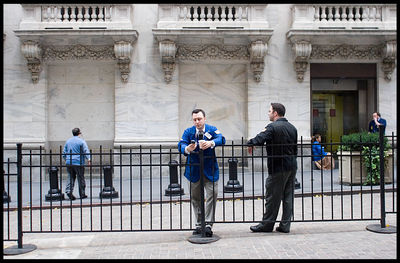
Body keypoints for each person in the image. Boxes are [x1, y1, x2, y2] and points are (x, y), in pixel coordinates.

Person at [247, 102, 298, 233]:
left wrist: (250, 143)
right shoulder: (292, 128)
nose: (268, 113)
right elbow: (295, 149)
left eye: (269, 111)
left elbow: (259, 139)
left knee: (272, 197)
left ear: (275, 113)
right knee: (288, 196)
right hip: (292, 165)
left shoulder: (272, 127)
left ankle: (267, 225)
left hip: (278, 167)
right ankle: (285, 225)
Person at [178, 109, 225, 237]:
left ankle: (208, 224)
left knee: (212, 195)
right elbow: (181, 144)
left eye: (199, 119)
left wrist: (211, 143)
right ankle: (199, 224)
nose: (197, 122)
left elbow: (222, 138)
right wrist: (187, 148)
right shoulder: (188, 132)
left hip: (210, 170)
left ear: (204, 119)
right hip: (193, 171)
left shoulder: (211, 129)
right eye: (195, 120)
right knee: (195, 199)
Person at [62, 128, 91, 200]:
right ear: (79, 133)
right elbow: (85, 150)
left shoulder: (68, 141)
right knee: (80, 177)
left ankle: (69, 191)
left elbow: (64, 152)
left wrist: (66, 159)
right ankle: (82, 193)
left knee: (70, 177)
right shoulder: (81, 141)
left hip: (69, 162)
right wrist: (89, 159)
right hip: (78, 162)